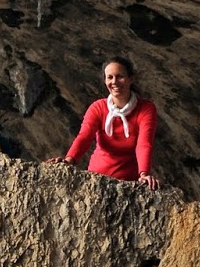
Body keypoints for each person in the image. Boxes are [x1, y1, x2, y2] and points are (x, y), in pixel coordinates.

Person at [47, 57, 159, 188]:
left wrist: (144, 174)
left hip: (129, 183)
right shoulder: (98, 107)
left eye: (120, 76)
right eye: (110, 77)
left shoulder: (146, 109)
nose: (114, 82)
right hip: (96, 180)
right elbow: (84, 137)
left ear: (131, 78)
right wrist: (68, 161)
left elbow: (144, 143)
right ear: (105, 81)